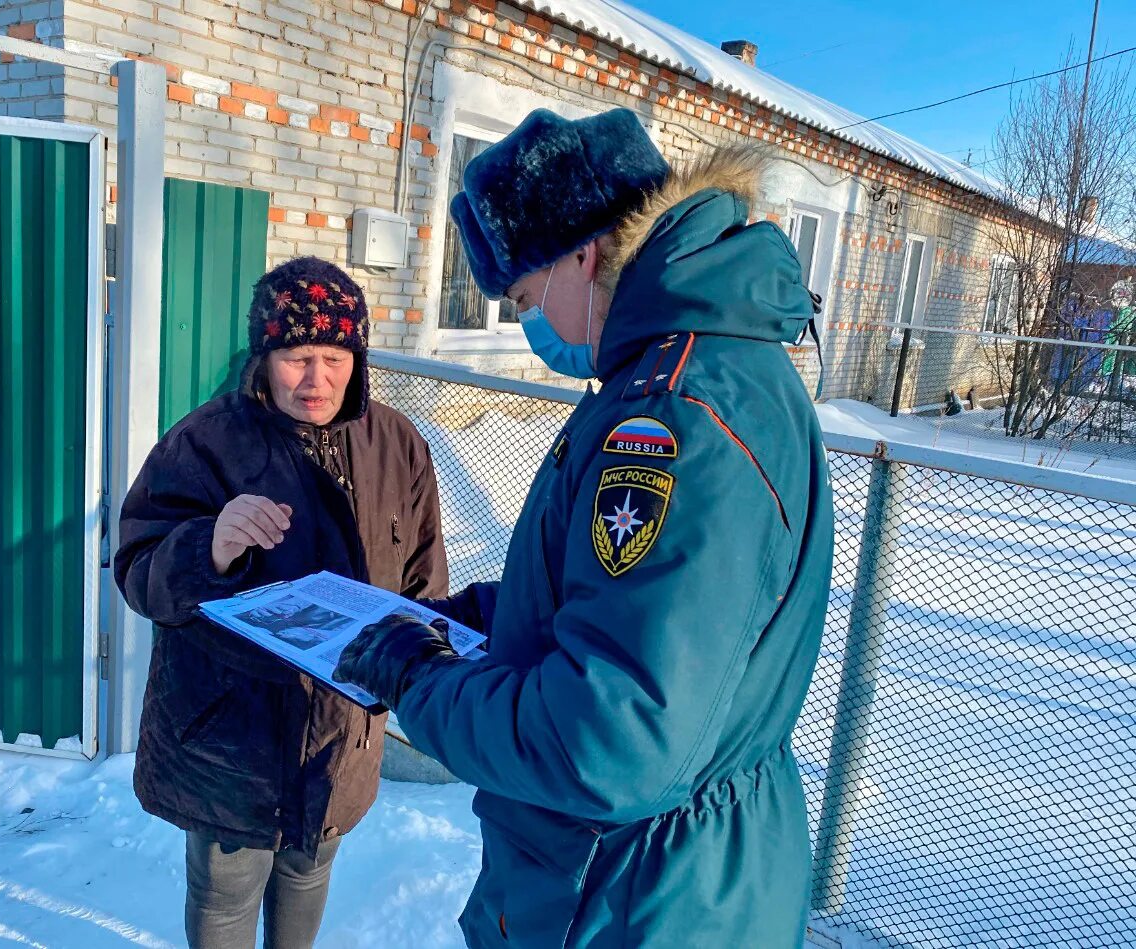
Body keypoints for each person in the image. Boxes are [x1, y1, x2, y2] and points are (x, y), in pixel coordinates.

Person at [335, 109, 835, 947]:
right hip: (656, 875)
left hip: (635, 894)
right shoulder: (679, 367)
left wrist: (419, 683)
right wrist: (484, 617)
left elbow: (608, 738)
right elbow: (619, 600)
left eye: (526, 298)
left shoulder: (675, 418)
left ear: (583, 254)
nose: (534, 327)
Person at [113, 257, 448, 949]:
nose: (316, 377)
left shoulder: (399, 445)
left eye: (334, 356)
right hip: (228, 741)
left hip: (340, 739)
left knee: (307, 872)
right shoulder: (203, 442)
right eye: (297, 356)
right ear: (264, 356)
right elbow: (138, 569)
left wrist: (416, 672)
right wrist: (208, 546)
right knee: (226, 891)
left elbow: (423, 581)